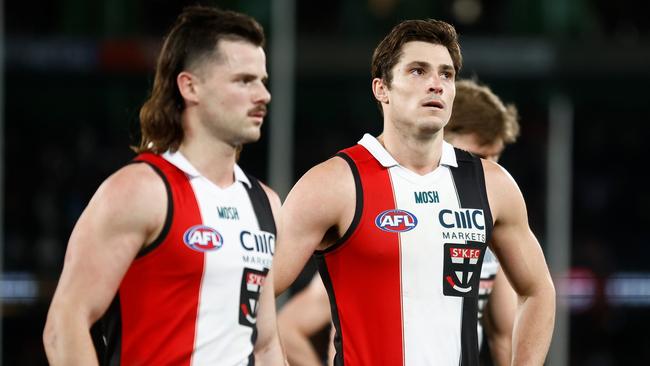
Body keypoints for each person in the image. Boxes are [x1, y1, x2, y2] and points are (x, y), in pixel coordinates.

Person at [274, 18, 555, 366]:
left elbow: (538, 290)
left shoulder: (492, 184)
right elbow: (253, 293)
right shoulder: (332, 184)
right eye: (418, 71)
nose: (436, 84)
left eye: (447, 74)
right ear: (381, 89)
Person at [43, 6, 285, 365]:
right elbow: (65, 327)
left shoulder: (265, 202)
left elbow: (264, 345)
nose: (263, 94)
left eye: (262, 81)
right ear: (190, 86)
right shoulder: (139, 190)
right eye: (244, 80)